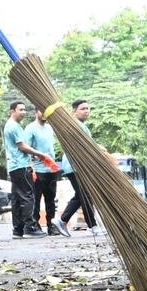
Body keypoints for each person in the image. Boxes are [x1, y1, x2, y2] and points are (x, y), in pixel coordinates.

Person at [56, 99, 98, 234]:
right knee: (84, 195)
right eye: (83, 108)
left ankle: (63, 221)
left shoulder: (80, 125)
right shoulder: (76, 125)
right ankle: (91, 226)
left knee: (82, 195)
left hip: (75, 167)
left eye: (88, 108)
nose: (87, 111)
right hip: (75, 166)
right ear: (74, 111)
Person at [23, 106, 65, 235]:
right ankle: (35, 226)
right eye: (42, 110)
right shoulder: (30, 128)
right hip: (38, 169)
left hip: (51, 170)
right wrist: (32, 166)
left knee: (51, 200)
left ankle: (51, 226)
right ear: (36, 112)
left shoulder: (50, 128)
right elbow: (26, 148)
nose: (44, 113)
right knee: (35, 200)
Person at [4, 101, 43, 238]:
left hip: (14, 166)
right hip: (20, 165)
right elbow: (22, 146)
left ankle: (18, 229)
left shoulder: (12, 125)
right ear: (12, 111)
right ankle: (30, 227)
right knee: (28, 196)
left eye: (25, 110)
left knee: (17, 198)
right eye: (20, 109)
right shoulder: (14, 126)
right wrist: (39, 154)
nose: (24, 112)